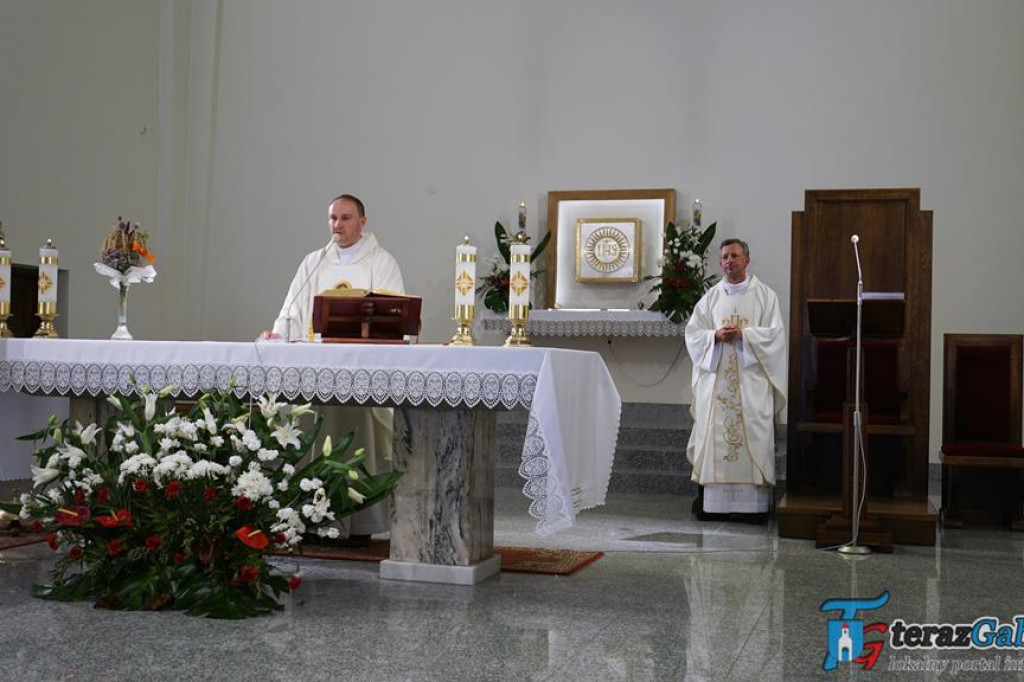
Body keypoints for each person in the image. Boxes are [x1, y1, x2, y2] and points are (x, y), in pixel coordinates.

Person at [270, 194, 404, 547]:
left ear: (363, 221)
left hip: (363, 373)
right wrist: (278, 334)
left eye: (345, 218)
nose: (337, 226)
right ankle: (311, 520)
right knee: (315, 437)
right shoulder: (314, 262)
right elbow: (292, 309)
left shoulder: (382, 262)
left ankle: (360, 524)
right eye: (332, 218)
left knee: (358, 442)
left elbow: (395, 316)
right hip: (318, 371)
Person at [684, 238, 786, 522]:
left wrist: (745, 335)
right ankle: (714, 505)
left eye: (735, 256)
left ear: (747, 260)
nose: (729, 261)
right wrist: (714, 336)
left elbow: (776, 336)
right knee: (715, 434)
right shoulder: (711, 298)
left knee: (752, 431)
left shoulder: (766, 296)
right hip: (718, 382)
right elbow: (693, 334)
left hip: (751, 382)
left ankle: (752, 508)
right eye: (725, 257)